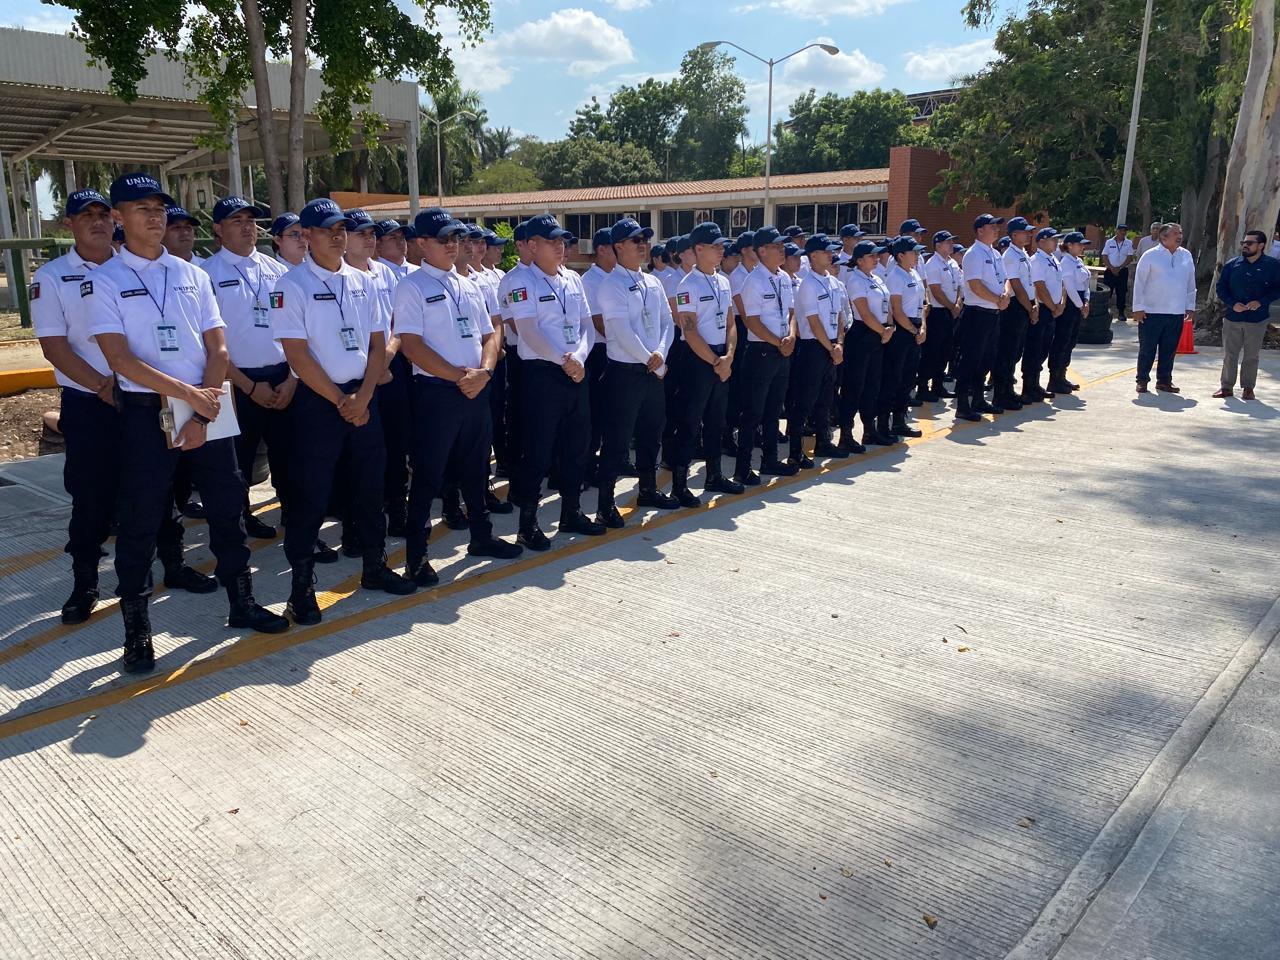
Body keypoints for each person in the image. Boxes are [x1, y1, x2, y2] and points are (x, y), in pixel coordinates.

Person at [88, 173, 288, 673]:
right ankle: (137, 632)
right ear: (119, 217)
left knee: (227, 506)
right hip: (146, 411)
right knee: (140, 520)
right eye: (141, 209)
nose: (154, 218)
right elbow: (120, 359)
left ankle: (241, 602)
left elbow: (217, 346)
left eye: (159, 209)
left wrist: (200, 409)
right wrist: (187, 399)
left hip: (207, 406)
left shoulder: (192, 275)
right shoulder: (105, 280)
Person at [271, 198, 416, 625]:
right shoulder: (290, 285)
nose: (337, 235)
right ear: (307, 236)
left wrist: (365, 395)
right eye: (326, 229)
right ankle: (302, 588)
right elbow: (297, 356)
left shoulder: (364, 281)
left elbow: (377, 344)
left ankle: (374, 566)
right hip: (320, 402)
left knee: (370, 487)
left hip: (363, 397)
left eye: (341, 229)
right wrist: (340, 400)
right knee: (312, 495)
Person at [394, 207, 522, 585]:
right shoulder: (412, 286)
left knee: (476, 467)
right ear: (421, 243)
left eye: (456, 239)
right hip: (437, 393)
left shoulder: (468, 283)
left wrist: (482, 372)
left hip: (475, 389)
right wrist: (458, 376)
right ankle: (417, 556)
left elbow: (489, 334)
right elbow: (411, 346)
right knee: (429, 475)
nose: (453, 246)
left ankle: (481, 537)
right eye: (443, 239)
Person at [505, 214, 605, 550]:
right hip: (543, 374)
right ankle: (528, 523)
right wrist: (564, 361)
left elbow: (587, 327)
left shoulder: (572, 279)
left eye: (563, 241)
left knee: (577, 446)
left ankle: (571, 512)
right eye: (552, 241)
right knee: (538, 449)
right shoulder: (522, 282)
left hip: (575, 371)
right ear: (532, 246)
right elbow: (528, 332)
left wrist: (578, 357)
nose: (561, 247)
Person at [201, 196, 297, 543]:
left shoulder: (278, 270)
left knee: (289, 458)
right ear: (217, 228)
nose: (247, 227)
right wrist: (247, 386)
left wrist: (291, 379)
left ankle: (296, 521)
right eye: (236, 221)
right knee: (236, 461)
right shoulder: (206, 275)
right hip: (235, 381)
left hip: (283, 377)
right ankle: (242, 520)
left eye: (251, 221)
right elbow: (208, 345)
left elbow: (296, 330)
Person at [594, 217, 679, 526]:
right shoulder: (611, 285)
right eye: (635, 240)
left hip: (653, 372)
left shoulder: (653, 282)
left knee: (651, 434)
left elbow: (668, 323)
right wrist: (650, 359)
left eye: (644, 239)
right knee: (617, 440)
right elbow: (620, 330)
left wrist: (661, 354)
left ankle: (647, 489)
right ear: (618, 247)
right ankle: (605, 503)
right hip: (626, 372)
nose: (642, 244)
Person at [666, 221, 742, 502]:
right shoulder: (688, 285)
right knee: (690, 421)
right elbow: (689, 329)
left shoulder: (723, 281)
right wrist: (715, 360)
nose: (722, 250)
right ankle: (679, 483)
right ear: (698, 249)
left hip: (722, 356)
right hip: (699, 359)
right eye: (715, 246)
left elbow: (731, 322)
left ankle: (714, 475)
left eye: (722, 246)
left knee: (716, 420)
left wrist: (729, 356)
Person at [734, 226, 798, 485]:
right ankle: (742, 467)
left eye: (782, 245)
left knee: (774, 409)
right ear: (762, 250)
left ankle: (770, 459)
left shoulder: (783, 277)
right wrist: (778, 342)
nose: (782, 249)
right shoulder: (754, 281)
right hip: (762, 351)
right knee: (753, 413)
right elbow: (752, 321)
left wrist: (791, 337)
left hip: (782, 350)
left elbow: (791, 313)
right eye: (776, 246)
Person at [786, 233, 848, 466]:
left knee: (825, 398)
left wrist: (839, 343)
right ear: (813, 256)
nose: (831, 254)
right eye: (826, 251)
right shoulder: (807, 285)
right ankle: (795, 451)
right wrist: (831, 347)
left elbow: (840, 315)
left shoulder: (833, 282)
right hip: (814, 346)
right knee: (805, 400)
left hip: (832, 344)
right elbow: (812, 321)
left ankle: (824, 441)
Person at [838, 239, 894, 449]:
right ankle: (846, 434)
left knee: (872, 385)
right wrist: (883, 330)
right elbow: (863, 311)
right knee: (854, 386)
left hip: (879, 334)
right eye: (872, 256)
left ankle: (869, 431)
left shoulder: (876, 278)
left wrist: (888, 327)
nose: (876, 258)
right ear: (859, 260)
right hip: (862, 335)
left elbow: (886, 306)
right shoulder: (855, 280)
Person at [1214, 229, 1280, 400]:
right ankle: (1226, 387)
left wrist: (1261, 301)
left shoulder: (1273, 265)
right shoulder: (1232, 265)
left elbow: (1277, 289)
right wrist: (1232, 304)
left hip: (1257, 319)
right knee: (1230, 354)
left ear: (1261, 246)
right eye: (1244, 243)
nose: (1245, 246)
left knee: (1251, 355)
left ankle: (1248, 388)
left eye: (1249, 243)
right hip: (1233, 317)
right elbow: (1221, 288)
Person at [1131, 222, 1197, 394]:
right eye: (1176, 233)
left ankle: (1164, 381)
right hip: (1152, 312)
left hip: (1176, 312)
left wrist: (1190, 306)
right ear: (1163, 237)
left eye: (1181, 232)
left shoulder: (1186, 255)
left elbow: (1191, 283)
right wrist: (1138, 307)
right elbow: (1139, 283)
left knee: (1169, 350)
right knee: (1148, 349)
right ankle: (1142, 380)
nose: (1180, 235)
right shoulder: (1150, 255)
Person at [958, 214, 1010, 422]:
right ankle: (963, 404)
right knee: (970, 359)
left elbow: (1005, 279)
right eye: (992, 227)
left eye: (998, 227)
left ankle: (978, 399)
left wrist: (1005, 294)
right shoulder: (974, 254)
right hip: (977, 314)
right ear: (980, 230)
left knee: (986, 358)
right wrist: (998, 299)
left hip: (993, 313)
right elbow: (975, 285)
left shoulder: (995, 253)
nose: (997, 231)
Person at [882, 236, 928, 439]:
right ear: (900, 255)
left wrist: (922, 328)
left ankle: (900, 420)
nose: (917, 255)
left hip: (915, 327)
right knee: (894, 377)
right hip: (902, 330)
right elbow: (897, 310)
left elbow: (924, 305)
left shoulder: (915, 274)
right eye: (913, 252)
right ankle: (884, 422)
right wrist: (913, 331)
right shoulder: (895, 277)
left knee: (908, 377)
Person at [580, 228, 616, 482]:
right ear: (602, 249)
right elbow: (596, 321)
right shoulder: (590, 281)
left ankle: (611, 460)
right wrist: (621, 342)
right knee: (594, 410)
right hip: (600, 350)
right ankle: (589, 463)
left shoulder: (617, 277)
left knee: (611, 411)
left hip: (619, 350)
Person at [1023, 227, 1064, 402]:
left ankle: (1036, 384)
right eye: (1052, 239)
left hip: (1053, 309)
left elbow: (1061, 284)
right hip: (1044, 308)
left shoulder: (1053, 259)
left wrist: (1061, 304)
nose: (1056, 242)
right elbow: (1039, 286)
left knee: (1044, 347)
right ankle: (1028, 386)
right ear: (1041, 241)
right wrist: (1053, 307)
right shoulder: (1038, 260)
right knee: (1034, 348)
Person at [920, 230, 960, 402]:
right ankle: (923, 386)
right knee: (932, 351)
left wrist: (957, 303)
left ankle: (938, 384)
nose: (951, 244)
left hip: (951, 311)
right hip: (938, 312)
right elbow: (935, 290)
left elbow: (958, 286)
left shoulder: (952, 263)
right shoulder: (933, 264)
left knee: (945, 350)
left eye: (952, 242)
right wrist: (952, 306)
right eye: (947, 242)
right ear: (937, 245)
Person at [1051, 232, 1091, 394]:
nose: (1082, 247)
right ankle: (1055, 378)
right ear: (1069, 245)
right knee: (1062, 340)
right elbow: (1069, 286)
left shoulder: (1078, 261)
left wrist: (1086, 301)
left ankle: (1062, 375)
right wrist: (1081, 305)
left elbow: (1086, 284)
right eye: (1079, 244)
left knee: (1071, 341)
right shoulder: (1066, 262)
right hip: (1070, 304)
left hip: (1080, 301)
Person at [1102, 224, 1134, 321]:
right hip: (1110, 270)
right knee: (1107, 292)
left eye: (1124, 231)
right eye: (1120, 230)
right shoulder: (1109, 242)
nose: (1122, 233)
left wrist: (1120, 268)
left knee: (1122, 292)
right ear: (1116, 231)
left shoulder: (1128, 243)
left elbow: (1129, 257)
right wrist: (1112, 268)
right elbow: (1105, 256)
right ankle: (1104, 312)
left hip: (1122, 271)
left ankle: (1121, 313)